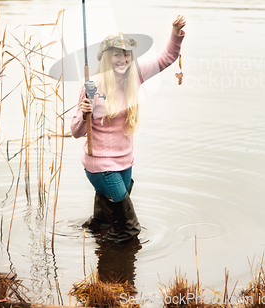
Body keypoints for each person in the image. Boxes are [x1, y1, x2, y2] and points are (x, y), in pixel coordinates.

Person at [71, 15, 186, 243]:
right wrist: (85, 114)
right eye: (116, 54)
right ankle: (119, 271)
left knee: (106, 220)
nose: (122, 59)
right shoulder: (92, 86)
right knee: (128, 228)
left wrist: (175, 32)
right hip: (101, 165)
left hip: (125, 162)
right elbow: (76, 132)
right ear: (106, 58)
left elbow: (167, 58)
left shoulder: (136, 74)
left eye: (126, 54)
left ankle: (99, 246)